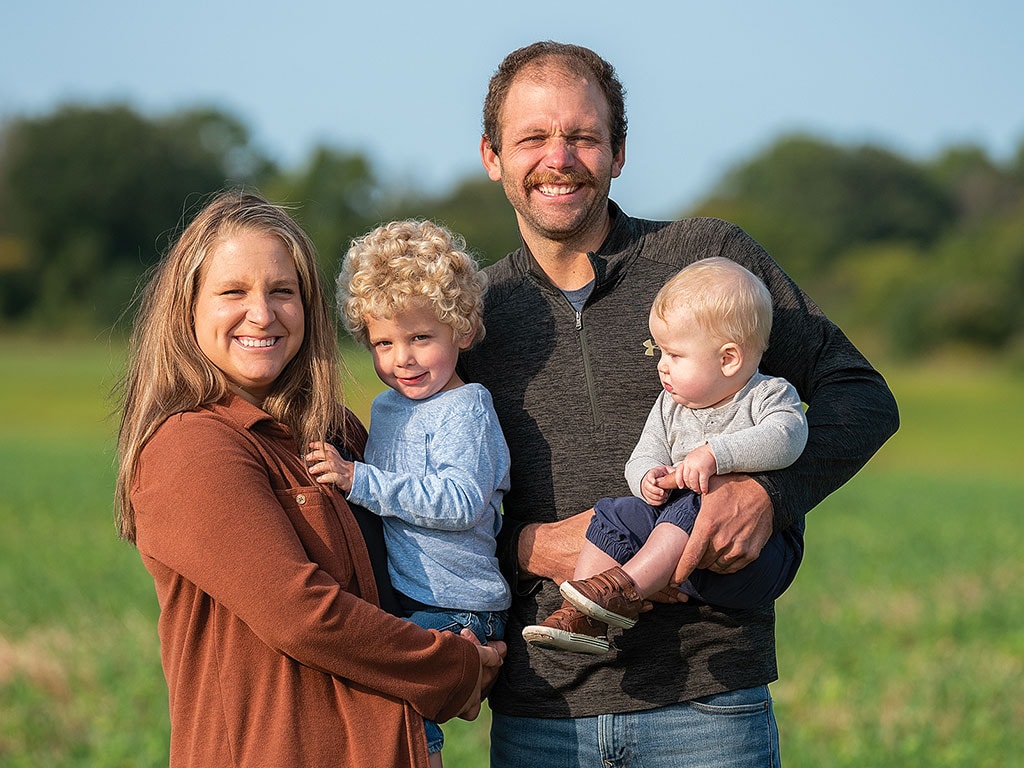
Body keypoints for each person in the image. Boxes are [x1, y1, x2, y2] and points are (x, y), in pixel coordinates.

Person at [458, 41, 899, 767]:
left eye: (583, 136)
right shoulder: (471, 315)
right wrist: (529, 545)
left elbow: (861, 396)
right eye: (533, 137)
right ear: (492, 155)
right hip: (546, 712)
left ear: (619, 152)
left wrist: (768, 492)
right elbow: (434, 508)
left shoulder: (709, 260)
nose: (558, 158)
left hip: (709, 703)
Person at [114, 191, 504, 768]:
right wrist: (453, 666)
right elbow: (301, 614)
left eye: (282, 291)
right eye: (232, 292)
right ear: (186, 307)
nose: (262, 314)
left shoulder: (336, 431)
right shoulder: (191, 445)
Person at [522, 257, 808, 655]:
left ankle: (624, 591)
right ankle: (584, 614)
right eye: (660, 352)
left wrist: (715, 455)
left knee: (697, 499)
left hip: (753, 558)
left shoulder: (766, 395)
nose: (661, 366)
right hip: (676, 549)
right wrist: (647, 478)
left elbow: (788, 438)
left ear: (729, 359)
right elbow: (644, 454)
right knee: (614, 511)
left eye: (675, 355)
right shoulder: (670, 405)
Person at [305, 219, 512, 767]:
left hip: (458, 605)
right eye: (384, 343)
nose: (404, 359)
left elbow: (463, 501)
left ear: (462, 331)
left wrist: (358, 479)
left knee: (391, 688)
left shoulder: (465, 410)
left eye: (421, 337)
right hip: (406, 597)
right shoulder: (387, 408)